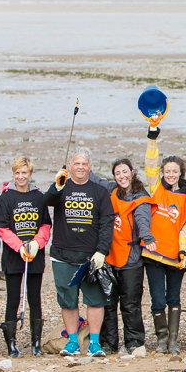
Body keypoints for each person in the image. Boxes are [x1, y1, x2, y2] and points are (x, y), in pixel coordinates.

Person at [45, 148, 115, 357]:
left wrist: (102, 250)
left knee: (95, 300)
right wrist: (57, 185)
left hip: (90, 257)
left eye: (84, 164)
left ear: (90, 167)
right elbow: (45, 202)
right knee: (68, 300)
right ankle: (73, 341)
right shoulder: (61, 187)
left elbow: (107, 222)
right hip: (62, 255)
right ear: (70, 166)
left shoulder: (100, 191)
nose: (81, 167)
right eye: (77, 163)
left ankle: (94, 343)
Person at [140, 117, 186, 354]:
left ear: (181, 173)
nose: (171, 174)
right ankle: (161, 339)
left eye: (175, 171)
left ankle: (173, 340)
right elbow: (150, 165)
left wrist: (184, 251)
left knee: (174, 298)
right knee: (157, 299)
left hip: (176, 255)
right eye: (167, 171)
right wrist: (153, 135)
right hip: (153, 252)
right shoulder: (156, 188)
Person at [0, 156, 52, 357]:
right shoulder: (6, 198)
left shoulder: (38, 196)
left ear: (30, 174)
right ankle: (11, 345)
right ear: (13, 174)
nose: (21, 176)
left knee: (34, 299)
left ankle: (35, 343)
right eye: (17, 173)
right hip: (13, 256)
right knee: (13, 299)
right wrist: (19, 247)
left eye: (24, 173)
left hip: (35, 256)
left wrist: (37, 243)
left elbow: (46, 224)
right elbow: (1, 228)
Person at [97, 158, 150, 355]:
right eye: (118, 173)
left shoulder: (141, 195)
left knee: (130, 303)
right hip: (109, 256)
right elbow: (92, 178)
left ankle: (134, 341)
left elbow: (143, 220)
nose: (122, 176)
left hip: (132, 257)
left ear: (132, 172)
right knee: (109, 302)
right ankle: (108, 343)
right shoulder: (110, 190)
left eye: (125, 172)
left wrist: (148, 237)